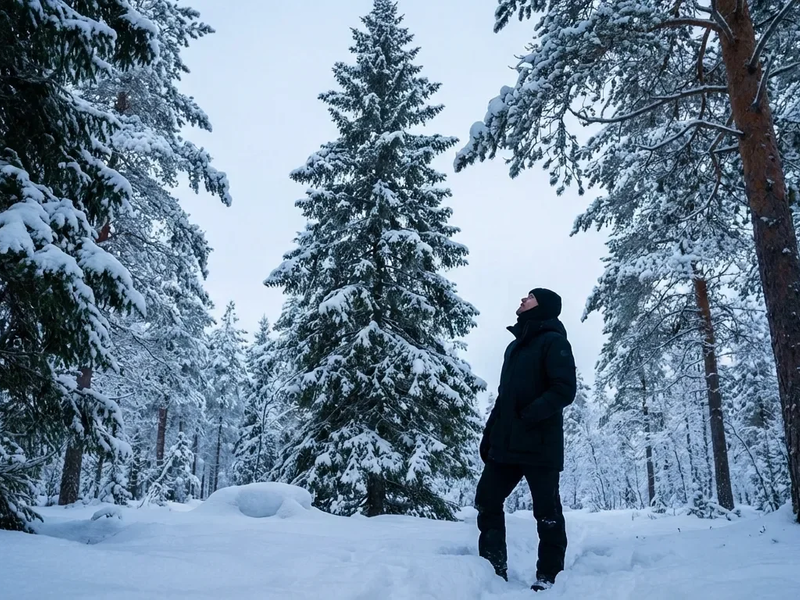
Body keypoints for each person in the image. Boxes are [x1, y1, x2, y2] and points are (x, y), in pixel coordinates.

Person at [475, 288, 577, 592]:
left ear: (542, 306)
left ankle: (549, 576)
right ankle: (493, 569)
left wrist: (529, 416)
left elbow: (564, 390)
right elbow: (504, 397)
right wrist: (489, 433)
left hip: (540, 445)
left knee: (547, 512)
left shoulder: (555, 342)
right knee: (486, 500)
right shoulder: (514, 347)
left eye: (530, 297)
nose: (522, 300)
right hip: (506, 444)